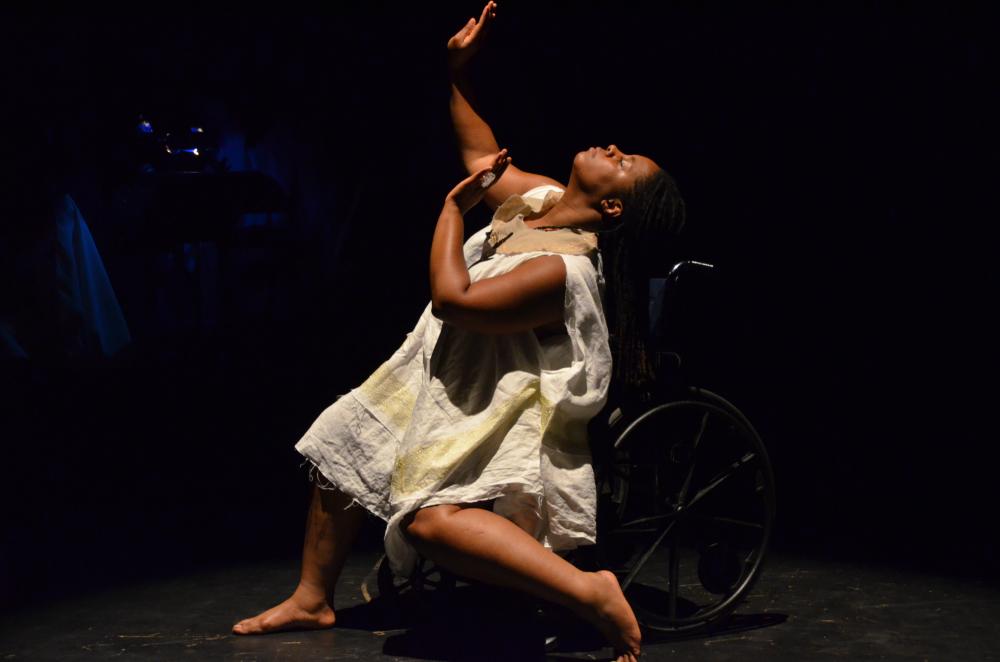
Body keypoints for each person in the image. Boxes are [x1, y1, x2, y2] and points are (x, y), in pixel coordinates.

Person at [232, 4, 685, 661]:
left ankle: (589, 592)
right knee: (340, 443)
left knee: (431, 525)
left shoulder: (564, 267)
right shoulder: (543, 201)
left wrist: (451, 210)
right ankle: (313, 596)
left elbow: (453, 298)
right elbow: (484, 158)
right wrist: (459, 73)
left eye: (625, 161)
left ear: (614, 205)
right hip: (445, 367)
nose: (612, 148)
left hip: (495, 402)